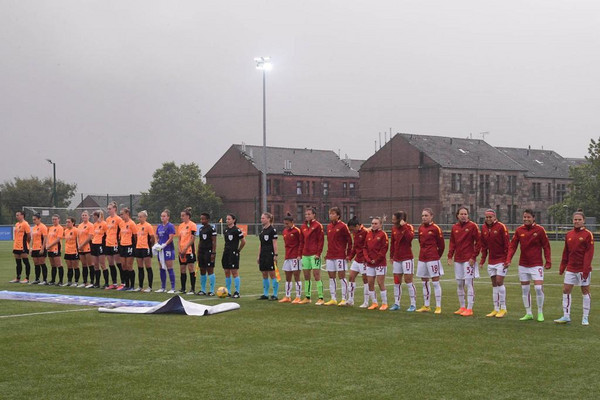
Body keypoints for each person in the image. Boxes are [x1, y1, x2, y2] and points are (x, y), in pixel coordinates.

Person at [506, 209, 551, 322]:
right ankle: (528, 313)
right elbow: (513, 246)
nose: (526, 219)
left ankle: (540, 312)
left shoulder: (540, 230)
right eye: (524, 217)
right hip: (523, 265)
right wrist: (508, 259)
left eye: (528, 217)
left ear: (533, 218)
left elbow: (546, 246)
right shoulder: (519, 230)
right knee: (525, 289)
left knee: (538, 288)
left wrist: (548, 260)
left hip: (536, 264)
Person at [555, 210, 594, 326]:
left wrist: (586, 269)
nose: (577, 221)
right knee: (566, 290)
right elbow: (566, 252)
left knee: (585, 291)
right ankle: (566, 316)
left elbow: (589, 253)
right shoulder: (569, 235)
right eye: (575, 219)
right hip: (571, 268)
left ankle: (585, 317)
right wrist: (563, 266)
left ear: (583, 221)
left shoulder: (588, 234)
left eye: (579, 220)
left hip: (583, 269)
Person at [447, 207, 481, 317]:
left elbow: (478, 242)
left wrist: (473, 257)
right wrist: (450, 256)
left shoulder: (472, 226)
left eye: (465, 214)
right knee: (459, 283)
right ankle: (462, 306)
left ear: (468, 215)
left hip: (468, 259)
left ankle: (470, 308)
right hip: (458, 259)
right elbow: (452, 243)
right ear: (457, 215)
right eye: (461, 214)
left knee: (468, 283)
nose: (463, 215)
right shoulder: (455, 227)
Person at [479, 209, 510, 318]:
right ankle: (495, 308)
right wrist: (482, 260)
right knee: (494, 284)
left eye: (490, 217)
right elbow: (484, 246)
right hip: (491, 261)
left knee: (499, 281)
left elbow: (507, 244)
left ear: (494, 217)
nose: (488, 219)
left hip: (501, 260)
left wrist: (507, 259)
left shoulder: (501, 227)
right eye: (486, 217)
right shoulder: (483, 228)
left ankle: (503, 308)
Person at [416, 208, 445, 314]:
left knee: (436, 282)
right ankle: (426, 305)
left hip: (432, 258)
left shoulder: (436, 228)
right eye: (423, 215)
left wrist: (437, 256)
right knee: (424, 282)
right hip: (422, 258)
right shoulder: (420, 228)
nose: (424, 217)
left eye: (426, 215)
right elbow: (420, 242)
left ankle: (438, 306)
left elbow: (441, 245)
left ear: (431, 216)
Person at [324, 207, 352, 306]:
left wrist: (348, 254)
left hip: (340, 255)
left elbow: (349, 241)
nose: (330, 215)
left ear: (338, 215)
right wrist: (327, 254)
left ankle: (344, 298)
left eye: (333, 214)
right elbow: (330, 242)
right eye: (330, 214)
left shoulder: (343, 226)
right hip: (330, 256)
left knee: (342, 276)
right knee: (331, 277)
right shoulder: (328, 226)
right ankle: (333, 298)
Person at [389, 211, 417, 312]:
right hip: (397, 258)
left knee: (408, 281)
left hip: (407, 258)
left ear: (400, 219)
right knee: (396, 281)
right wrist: (391, 256)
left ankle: (413, 304)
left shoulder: (409, 227)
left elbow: (410, 238)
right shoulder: (394, 229)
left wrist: (404, 227)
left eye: (394, 218)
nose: (392, 220)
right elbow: (392, 243)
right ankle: (397, 303)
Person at [299, 208, 325, 305]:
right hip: (305, 254)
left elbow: (321, 241)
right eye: (306, 214)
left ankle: (321, 298)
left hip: (314, 254)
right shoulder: (303, 226)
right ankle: (307, 297)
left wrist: (318, 253)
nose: (307, 216)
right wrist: (299, 254)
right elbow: (301, 241)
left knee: (316, 275)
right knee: (306, 275)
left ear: (314, 215)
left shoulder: (318, 226)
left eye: (309, 214)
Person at [363, 217, 389, 310]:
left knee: (380, 282)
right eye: (372, 223)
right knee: (370, 282)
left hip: (380, 263)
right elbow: (365, 248)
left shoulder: (383, 234)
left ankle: (384, 303)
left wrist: (376, 259)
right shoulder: (368, 234)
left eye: (376, 223)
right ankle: (374, 302)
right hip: (370, 263)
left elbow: (384, 249)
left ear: (380, 225)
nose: (373, 225)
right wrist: (368, 259)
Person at [280, 213, 304, 303]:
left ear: (292, 222)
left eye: (287, 224)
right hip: (288, 257)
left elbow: (301, 243)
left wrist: (299, 255)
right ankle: (287, 296)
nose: (286, 225)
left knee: (296, 276)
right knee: (287, 277)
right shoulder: (285, 231)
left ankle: (298, 296)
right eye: (285, 224)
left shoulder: (297, 231)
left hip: (295, 257)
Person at [347, 216, 369, 308]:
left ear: (357, 226)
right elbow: (355, 247)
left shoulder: (366, 232)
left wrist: (366, 258)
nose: (352, 232)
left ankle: (366, 302)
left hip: (364, 260)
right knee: (351, 277)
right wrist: (350, 257)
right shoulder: (355, 234)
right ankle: (350, 300)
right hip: (357, 260)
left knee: (365, 280)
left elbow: (368, 247)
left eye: (352, 229)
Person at [222, 214, 245, 298]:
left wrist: (238, 250)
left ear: (233, 220)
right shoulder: (226, 230)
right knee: (226, 272)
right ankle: (228, 292)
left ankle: (237, 292)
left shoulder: (237, 230)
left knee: (234, 272)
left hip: (233, 253)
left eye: (229, 219)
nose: (227, 220)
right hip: (226, 253)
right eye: (226, 219)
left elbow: (243, 241)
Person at [257, 212, 279, 300]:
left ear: (268, 219)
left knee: (272, 274)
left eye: (263, 218)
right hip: (263, 254)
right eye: (261, 218)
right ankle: (265, 294)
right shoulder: (262, 230)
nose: (261, 220)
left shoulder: (272, 230)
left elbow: (275, 243)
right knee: (264, 273)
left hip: (270, 254)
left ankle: (275, 294)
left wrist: (275, 254)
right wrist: (258, 256)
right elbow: (261, 244)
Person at [154, 209, 177, 293]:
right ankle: (163, 287)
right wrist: (157, 244)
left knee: (169, 267)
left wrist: (165, 244)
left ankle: (173, 288)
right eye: (161, 216)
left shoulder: (170, 226)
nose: (162, 218)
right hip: (160, 249)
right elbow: (156, 236)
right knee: (161, 268)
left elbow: (171, 237)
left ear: (168, 217)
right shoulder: (159, 226)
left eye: (164, 216)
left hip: (168, 249)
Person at [197, 213, 217, 296]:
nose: (202, 220)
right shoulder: (201, 229)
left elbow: (214, 241)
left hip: (209, 251)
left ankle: (212, 290)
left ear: (208, 220)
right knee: (202, 270)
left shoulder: (212, 229)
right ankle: (203, 290)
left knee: (210, 270)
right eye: (201, 219)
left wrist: (213, 252)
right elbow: (200, 241)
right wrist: (198, 251)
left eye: (203, 219)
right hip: (202, 251)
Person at [177, 207, 197, 294]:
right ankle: (183, 288)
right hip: (181, 251)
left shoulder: (192, 225)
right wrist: (179, 248)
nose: (181, 217)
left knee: (191, 268)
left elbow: (192, 238)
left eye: (183, 216)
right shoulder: (181, 226)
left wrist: (185, 248)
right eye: (181, 216)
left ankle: (192, 289)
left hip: (189, 250)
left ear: (188, 216)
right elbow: (179, 239)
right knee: (182, 269)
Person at [116, 208, 137, 291]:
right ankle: (126, 285)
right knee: (123, 266)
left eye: (122, 214)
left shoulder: (132, 223)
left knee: (129, 266)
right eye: (120, 214)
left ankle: (132, 286)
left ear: (127, 213)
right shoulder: (121, 223)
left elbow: (135, 236)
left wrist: (134, 246)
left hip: (129, 246)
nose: (121, 216)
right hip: (122, 246)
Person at [105, 201, 124, 290]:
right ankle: (114, 283)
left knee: (119, 263)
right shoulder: (108, 219)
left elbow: (121, 231)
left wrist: (119, 242)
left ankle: (123, 283)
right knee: (111, 264)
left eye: (110, 209)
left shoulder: (118, 219)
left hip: (115, 243)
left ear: (115, 209)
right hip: (108, 243)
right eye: (108, 209)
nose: (108, 210)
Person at [135, 210, 154, 293]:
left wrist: (150, 246)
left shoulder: (148, 226)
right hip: (138, 248)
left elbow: (152, 238)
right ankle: (140, 286)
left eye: (141, 217)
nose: (139, 218)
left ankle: (150, 286)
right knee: (140, 268)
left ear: (145, 217)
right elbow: (136, 237)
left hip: (146, 248)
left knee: (148, 267)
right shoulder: (137, 226)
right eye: (138, 217)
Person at [88, 210, 108, 288]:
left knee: (102, 264)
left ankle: (106, 283)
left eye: (94, 216)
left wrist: (104, 245)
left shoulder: (104, 224)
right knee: (95, 264)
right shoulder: (94, 225)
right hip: (94, 245)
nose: (93, 217)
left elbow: (107, 235)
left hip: (101, 245)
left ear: (98, 216)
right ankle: (97, 283)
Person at [10, 211, 31, 283]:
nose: (17, 216)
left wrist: (27, 244)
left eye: (18, 215)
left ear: (22, 216)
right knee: (18, 263)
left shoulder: (25, 224)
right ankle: (18, 278)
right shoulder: (17, 224)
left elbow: (29, 236)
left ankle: (27, 278)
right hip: (16, 246)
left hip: (23, 246)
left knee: (26, 262)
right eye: (16, 215)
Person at [45, 214, 65, 286]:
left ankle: (61, 281)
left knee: (59, 264)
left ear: (59, 220)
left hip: (56, 248)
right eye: (53, 219)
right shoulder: (51, 228)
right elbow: (48, 238)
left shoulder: (60, 228)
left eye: (55, 219)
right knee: (53, 265)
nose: (54, 221)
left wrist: (50, 245)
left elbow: (58, 239)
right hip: (50, 249)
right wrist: (47, 245)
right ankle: (53, 280)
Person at [77, 211, 94, 288]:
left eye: (85, 215)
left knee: (90, 264)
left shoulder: (90, 225)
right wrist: (79, 245)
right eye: (83, 215)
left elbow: (90, 237)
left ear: (88, 217)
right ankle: (85, 281)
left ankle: (92, 282)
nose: (84, 216)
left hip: (87, 247)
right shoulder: (80, 226)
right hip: (81, 248)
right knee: (84, 265)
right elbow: (78, 237)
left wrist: (82, 245)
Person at [30, 212, 48, 285]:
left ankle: (45, 280)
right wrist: (30, 247)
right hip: (34, 248)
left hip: (40, 248)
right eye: (33, 220)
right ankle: (37, 279)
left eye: (35, 219)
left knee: (42, 263)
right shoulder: (34, 227)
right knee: (36, 264)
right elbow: (32, 239)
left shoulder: (43, 227)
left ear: (39, 219)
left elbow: (45, 238)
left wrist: (42, 248)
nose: (34, 221)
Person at [63, 217, 80, 286]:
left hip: (74, 250)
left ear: (73, 223)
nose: (67, 223)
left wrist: (78, 250)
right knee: (69, 267)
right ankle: (69, 281)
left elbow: (78, 240)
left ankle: (76, 282)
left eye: (69, 222)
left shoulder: (76, 230)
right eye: (66, 222)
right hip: (67, 251)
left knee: (75, 266)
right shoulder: (66, 231)